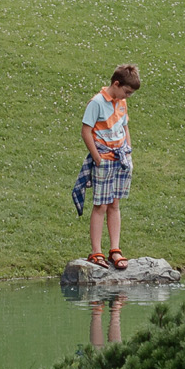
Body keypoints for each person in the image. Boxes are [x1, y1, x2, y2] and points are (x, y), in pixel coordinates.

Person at [76, 62, 139, 269]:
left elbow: (125, 126)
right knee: (101, 205)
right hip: (104, 158)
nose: (127, 96)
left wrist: (128, 152)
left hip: (120, 159)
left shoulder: (121, 102)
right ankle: (96, 252)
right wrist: (97, 158)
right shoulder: (96, 103)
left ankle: (115, 249)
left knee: (114, 204)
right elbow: (86, 130)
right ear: (116, 83)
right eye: (126, 91)